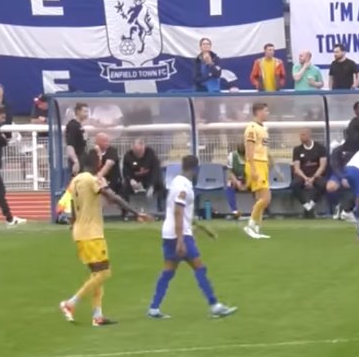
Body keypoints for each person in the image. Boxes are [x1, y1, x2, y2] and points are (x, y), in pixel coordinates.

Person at [58, 150, 147, 326]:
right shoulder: (93, 179)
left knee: (97, 274)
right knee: (105, 272)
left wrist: (74, 223)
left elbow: (74, 206)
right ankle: (70, 303)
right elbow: (113, 197)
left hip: (80, 232)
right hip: (92, 234)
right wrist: (136, 212)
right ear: (97, 162)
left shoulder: (75, 180)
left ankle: (97, 315)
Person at [146, 155, 238, 320]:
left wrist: (203, 228)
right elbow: (178, 212)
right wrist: (181, 240)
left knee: (168, 271)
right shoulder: (184, 188)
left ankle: (154, 308)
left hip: (168, 233)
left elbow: (183, 212)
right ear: (196, 169)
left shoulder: (176, 182)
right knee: (199, 268)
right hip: (179, 235)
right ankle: (215, 305)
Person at [241, 102, 272, 240]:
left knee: (262, 198)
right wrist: (253, 169)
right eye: (266, 111)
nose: (267, 113)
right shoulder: (252, 128)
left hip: (263, 163)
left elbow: (264, 148)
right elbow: (249, 149)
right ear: (258, 112)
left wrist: (270, 163)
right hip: (256, 164)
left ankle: (257, 228)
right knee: (266, 198)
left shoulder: (264, 129)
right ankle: (250, 224)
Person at [121, 138, 166, 215]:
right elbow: (125, 171)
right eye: (136, 152)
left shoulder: (151, 154)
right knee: (123, 189)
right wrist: (130, 180)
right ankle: (125, 213)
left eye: (140, 152)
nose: (139, 155)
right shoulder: (128, 156)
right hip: (134, 181)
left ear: (144, 148)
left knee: (161, 186)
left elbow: (156, 171)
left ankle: (161, 210)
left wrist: (152, 185)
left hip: (148, 180)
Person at [290, 129, 328, 218]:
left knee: (323, 184)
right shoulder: (297, 149)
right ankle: (307, 207)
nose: (301, 137)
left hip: (316, 175)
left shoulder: (320, 148)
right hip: (302, 176)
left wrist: (313, 178)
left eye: (303, 135)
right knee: (294, 185)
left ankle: (310, 205)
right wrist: (305, 178)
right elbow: (297, 168)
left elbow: (322, 166)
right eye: (300, 135)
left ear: (309, 135)